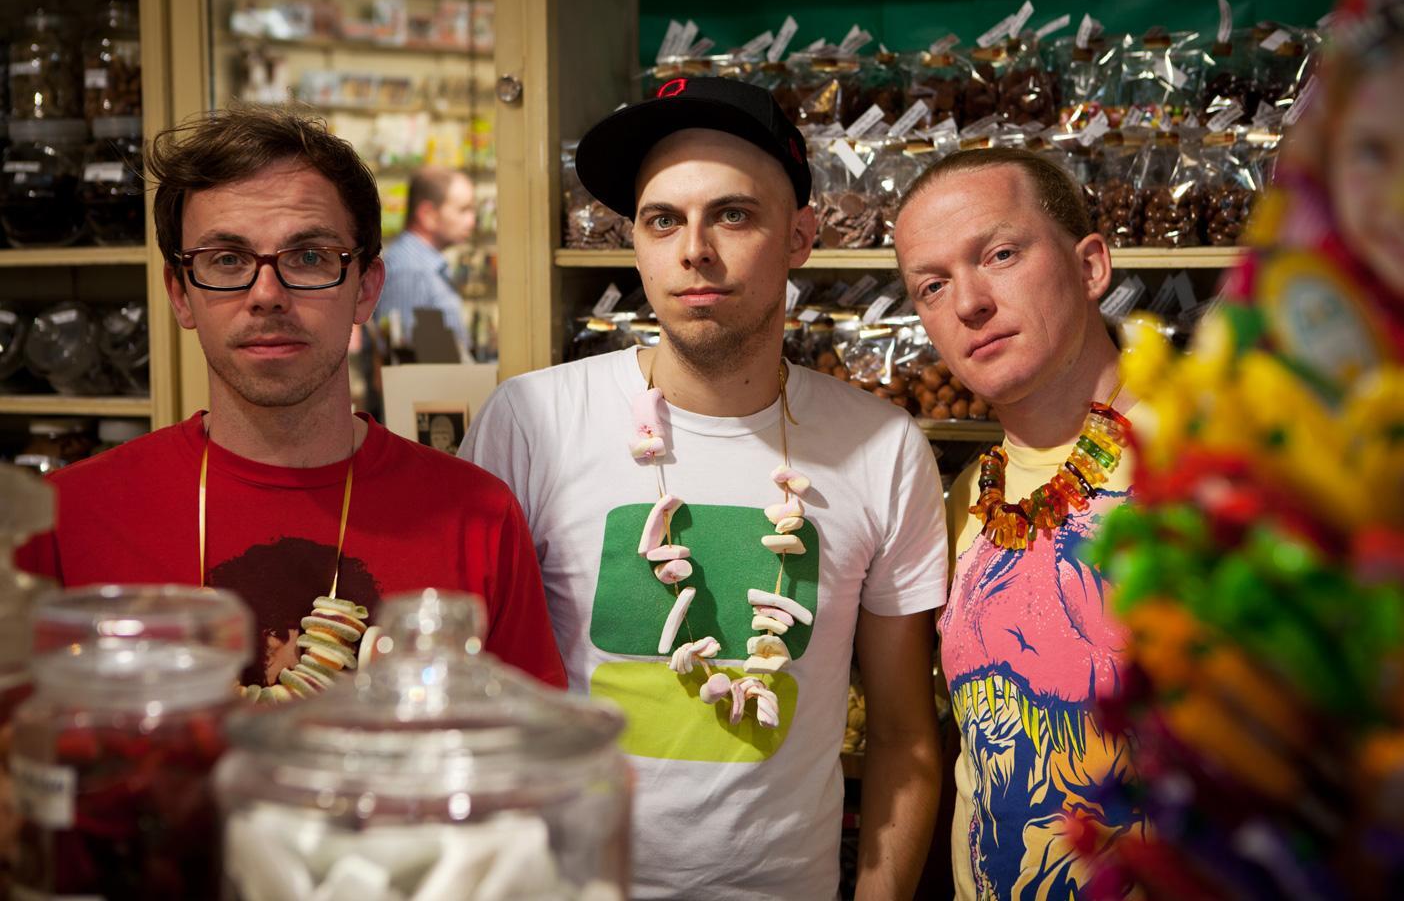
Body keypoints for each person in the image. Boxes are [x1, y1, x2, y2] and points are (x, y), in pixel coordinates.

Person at [463, 76, 947, 900]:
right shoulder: (531, 420)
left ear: (800, 237)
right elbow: (474, 699)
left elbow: (904, 736)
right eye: (663, 220)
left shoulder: (883, 448)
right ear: (636, 242)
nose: (694, 250)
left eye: (733, 214)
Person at [18, 105, 566, 696]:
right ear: (179, 294)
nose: (267, 294)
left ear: (366, 289)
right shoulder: (62, 522)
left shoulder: (478, 518)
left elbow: (528, 743)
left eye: (308, 257)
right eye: (226, 260)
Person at [893, 147, 1149, 900]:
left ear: (1091, 266)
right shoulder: (963, 498)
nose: (968, 303)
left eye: (999, 255)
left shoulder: (1218, 460)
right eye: (932, 285)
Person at [374, 166, 476, 354]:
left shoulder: (423, 265)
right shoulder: (410, 269)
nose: (472, 221)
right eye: (463, 210)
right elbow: (403, 359)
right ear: (428, 214)